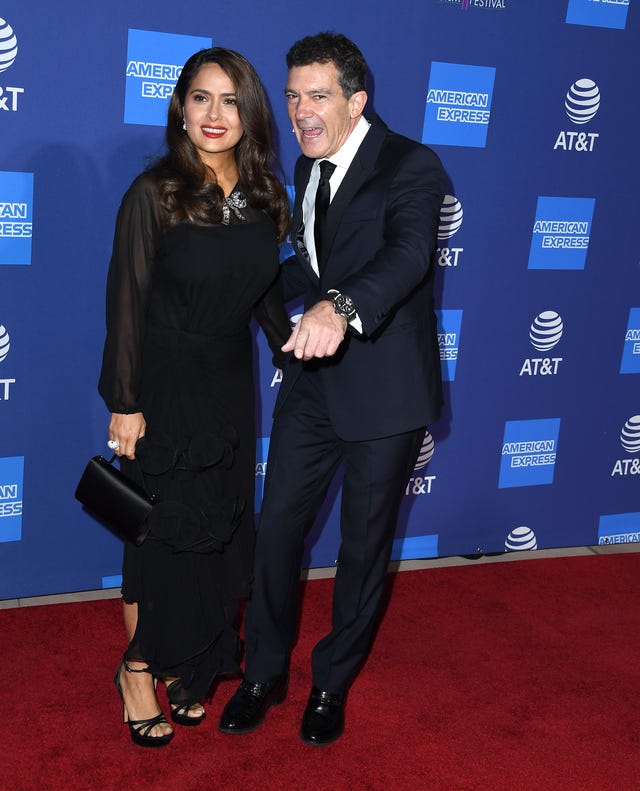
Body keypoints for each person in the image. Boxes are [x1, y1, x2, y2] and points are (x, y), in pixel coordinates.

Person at [219, 32, 446, 746]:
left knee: (361, 552)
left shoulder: (412, 164)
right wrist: (227, 291)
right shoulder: (309, 167)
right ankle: (265, 671)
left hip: (384, 395)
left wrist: (339, 307)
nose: (299, 111)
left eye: (317, 95)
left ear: (356, 100)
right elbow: (309, 268)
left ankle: (330, 682)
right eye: (291, 96)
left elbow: (405, 256)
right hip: (313, 386)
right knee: (277, 530)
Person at [98, 47, 291, 748]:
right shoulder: (155, 194)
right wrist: (125, 401)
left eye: (230, 100)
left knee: (218, 533)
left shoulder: (267, 196)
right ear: (180, 107)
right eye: (201, 98)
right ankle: (138, 671)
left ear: (250, 112)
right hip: (165, 383)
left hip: (229, 384)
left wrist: (297, 346)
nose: (216, 115)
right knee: (158, 536)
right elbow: (127, 302)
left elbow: (267, 292)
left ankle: (197, 657)